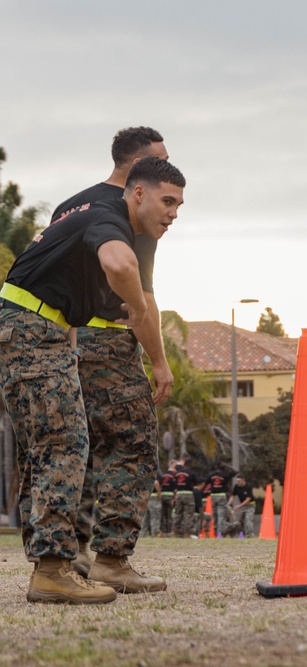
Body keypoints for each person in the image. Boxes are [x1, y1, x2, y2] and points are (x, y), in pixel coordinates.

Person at [0, 156, 184, 604]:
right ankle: (52, 571)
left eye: (179, 206)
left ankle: (56, 565)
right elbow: (120, 266)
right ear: (137, 192)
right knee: (63, 443)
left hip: (39, 327)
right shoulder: (108, 216)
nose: (173, 214)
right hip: (31, 330)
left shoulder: (87, 207)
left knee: (58, 443)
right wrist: (138, 309)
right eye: (167, 201)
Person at [48, 128, 172, 588]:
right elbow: (140, 291)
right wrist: (158, 360)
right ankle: (112, 560)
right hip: (108, 340)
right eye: (159, 161)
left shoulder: (74, 204)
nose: (167, 170)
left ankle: (73, 552)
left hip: (64, 339)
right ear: (137, 171)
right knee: (130, 444)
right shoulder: (131, 211)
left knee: (77, 445)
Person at [205, 462, 237, 539]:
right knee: (221, 516)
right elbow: (236, 471)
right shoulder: (225, 475)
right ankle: (220, 534)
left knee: (215, 515)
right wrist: (228, 465)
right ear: (224, 468)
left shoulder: (211, 475)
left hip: (213, 496)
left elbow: (206, 482)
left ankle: (216, 532)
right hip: (222, 496)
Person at [171, 458, 199, 538]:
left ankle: (175, 532)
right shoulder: (191, 473)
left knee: (178, 513)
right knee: (189, 514)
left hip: (179, 494)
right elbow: (196, 484)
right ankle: (188, 533)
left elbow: (175, 484)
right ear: (190, 464)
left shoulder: (177, 473)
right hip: (188, 494)